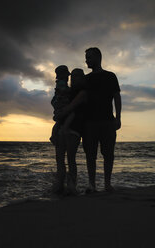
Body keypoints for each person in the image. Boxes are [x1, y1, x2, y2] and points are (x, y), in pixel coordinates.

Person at [60, 48, 122, 193]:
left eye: (89, 57)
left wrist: (118, 117)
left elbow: (116, 97)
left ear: (98, 57)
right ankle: (92, 185)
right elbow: (75, 97)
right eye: (86, 57)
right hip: (89, 123)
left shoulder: (110, 76)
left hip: (107, 121)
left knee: (108, 154)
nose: (86, 60)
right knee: (90, 155)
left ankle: (107, 184)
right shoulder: (85, 79)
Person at [52, 67, 85, 195]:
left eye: (77, 76)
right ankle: (61, 184)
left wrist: (59, 114)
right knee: (60, 158)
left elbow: (72, 109)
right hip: (63, 125)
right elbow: (57, 101)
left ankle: (70, 185)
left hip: (74, 128)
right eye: (72, 76)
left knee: (70, 158)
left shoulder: (80, 92)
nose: (72, 79)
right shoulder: (67, 90)